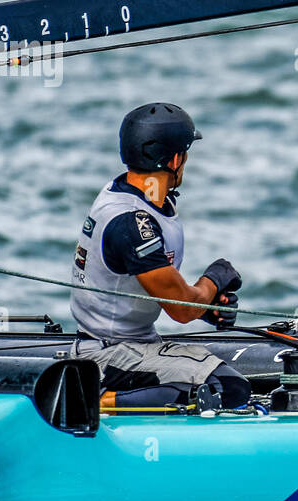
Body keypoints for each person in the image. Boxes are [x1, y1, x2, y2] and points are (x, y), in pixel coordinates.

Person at [70, 103, 252, 410]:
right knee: (227, 388)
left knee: (225, 383)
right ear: (176, 158)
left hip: (132, 343)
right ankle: (97, 400)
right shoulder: (132, 223)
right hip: (109, 354)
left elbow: (154, 290)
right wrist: (213, 281)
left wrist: (206, 307)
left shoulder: (135, 196)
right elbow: (181, 311)